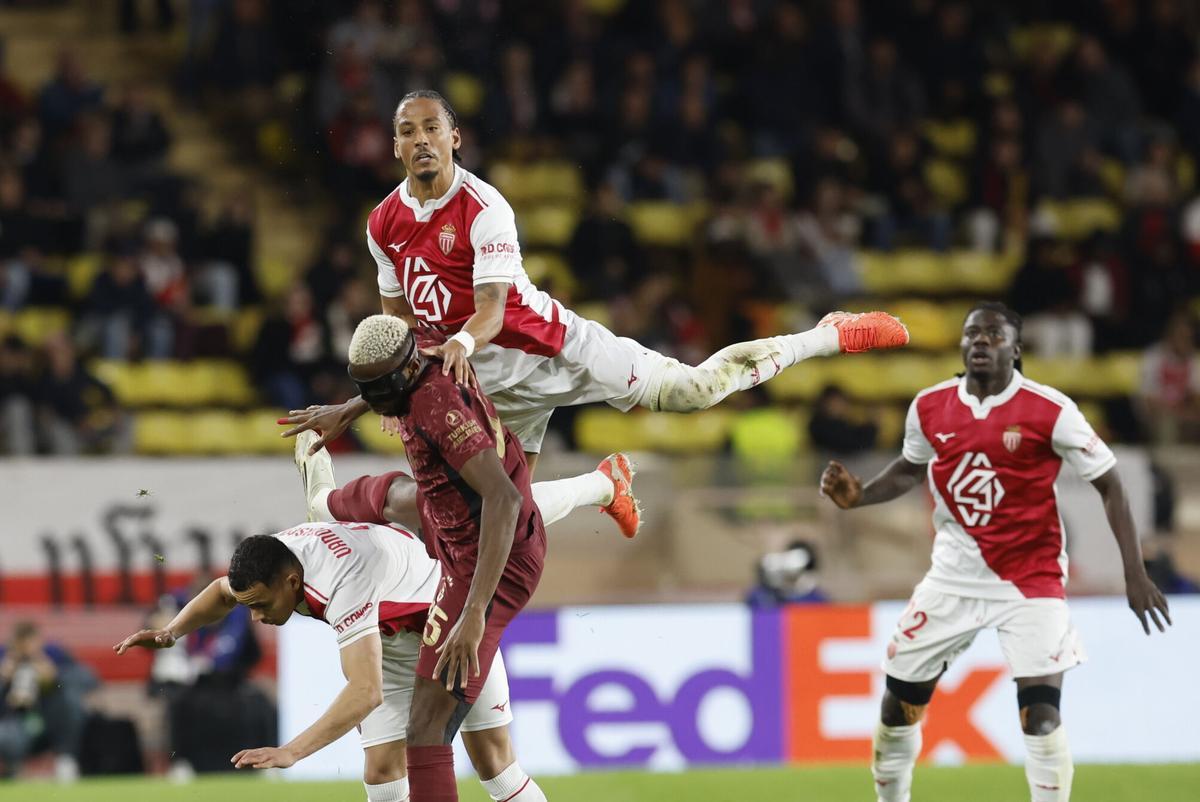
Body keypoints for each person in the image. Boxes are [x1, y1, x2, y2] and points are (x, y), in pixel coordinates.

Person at [281, 90, 910, 475]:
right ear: (393, 146)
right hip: (488, 390)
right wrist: (354, 404)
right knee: (500, 518)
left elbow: (493, 310)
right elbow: (399, 338)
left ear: (454, 138)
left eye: (431, 129)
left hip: (550, 353)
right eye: (407, 131)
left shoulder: (484, 207)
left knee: (692, 391)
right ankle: (605, 490)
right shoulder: (381, 224)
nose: (421, 140)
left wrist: (458, 348)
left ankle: (825, 337)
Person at [114, 419, 637, 802]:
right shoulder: (272, 558)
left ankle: (602, 484)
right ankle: (601, 485)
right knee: (383, 771)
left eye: (261, 605)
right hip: (393, 623)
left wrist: (293, 752)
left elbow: (365, 691)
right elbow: (223, 592)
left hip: (448, 620)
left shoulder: (343, 584)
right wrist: (170, 634)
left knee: (494, 765)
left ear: (292, 582)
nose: (254, 616)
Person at [819, 301, 1172, 802]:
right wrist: (860, 496)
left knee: (1042, 716)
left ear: (1016, 348)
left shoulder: (1050, 410)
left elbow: (1112, 484)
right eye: (972, 334)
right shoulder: (929, 407)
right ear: (962, 345)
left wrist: (1133, 572)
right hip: (952, 577)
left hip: (1031, 579)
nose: (981, 341)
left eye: (994, 334)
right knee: (897, 711)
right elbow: (909, 468)